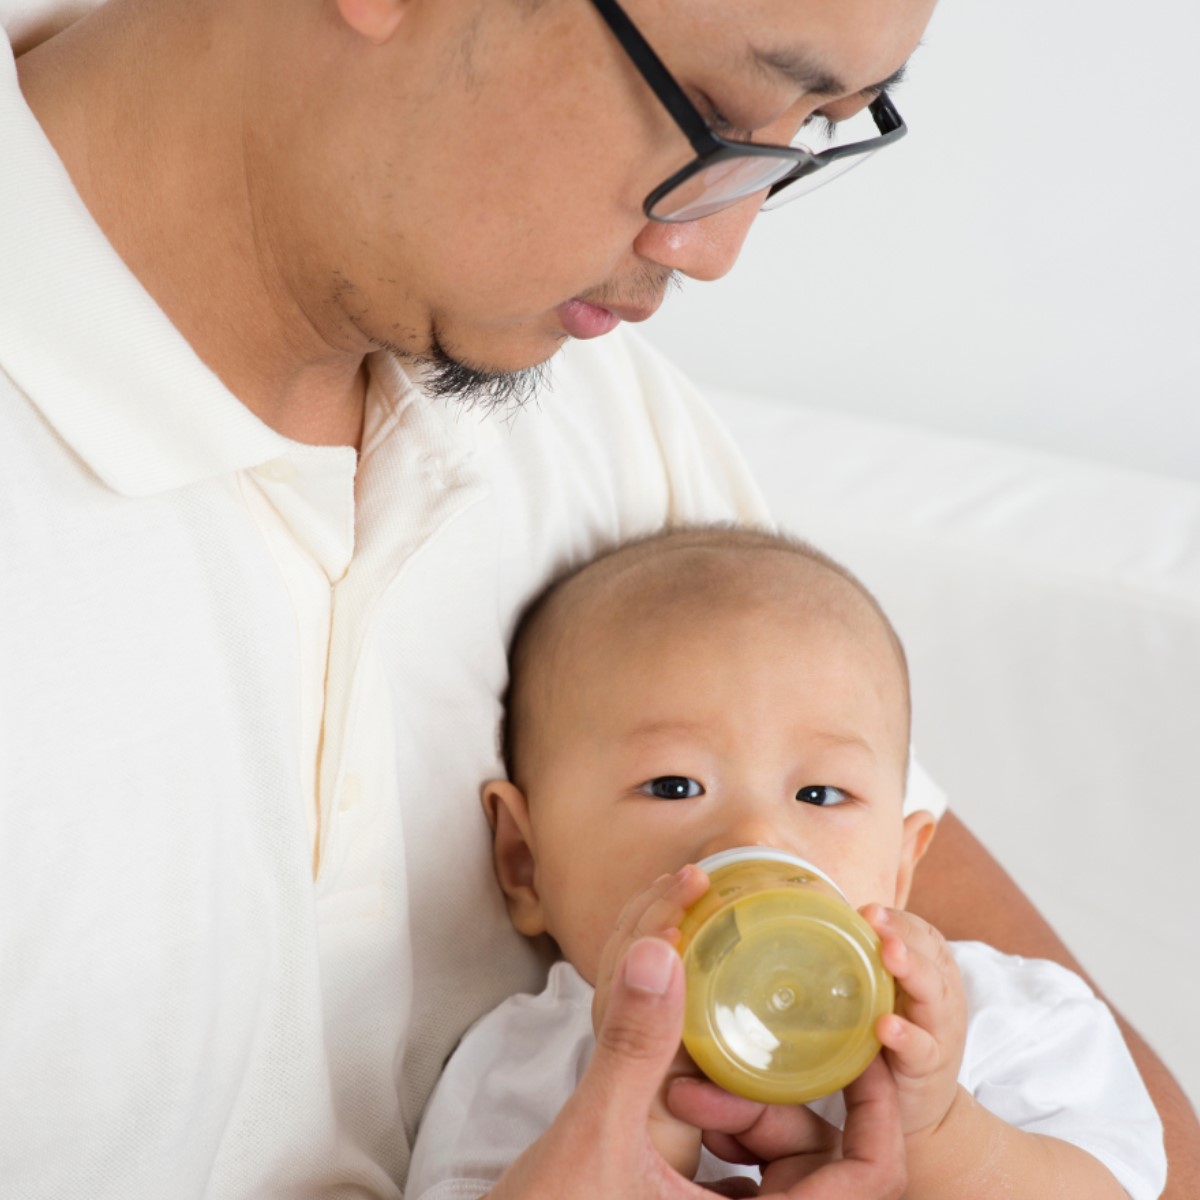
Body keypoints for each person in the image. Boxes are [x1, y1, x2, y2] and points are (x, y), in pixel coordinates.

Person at [0, 0, 1194, 1196]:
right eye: (716, 116)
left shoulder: (599, 424)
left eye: (816, 131)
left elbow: (1142, 1148)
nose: (714, 251)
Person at [406, 525, 1166, 1199]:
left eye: (821, 792)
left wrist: (938, 1134)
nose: (757, 832)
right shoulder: (516, 1068)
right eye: (674, 785)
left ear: (902, 866)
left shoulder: (1001, 1017)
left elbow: (1122, 1181)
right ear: (524, 863)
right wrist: (644, 1128)